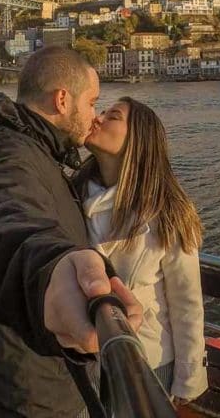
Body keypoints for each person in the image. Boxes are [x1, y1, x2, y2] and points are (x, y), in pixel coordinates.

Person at [0, 46, 143, 418]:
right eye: (92, 102)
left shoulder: (12, 144)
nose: (94, 115)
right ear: (63, 99)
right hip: (25, 394)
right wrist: (48, 272)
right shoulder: (8, 154)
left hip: (10, 384)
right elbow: (9, 214)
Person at [78, 97, 208, 406]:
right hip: (87, 361)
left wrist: (186, 383)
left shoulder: (168, 210)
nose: (99, 117)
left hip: (148, 361)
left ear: (138, 139)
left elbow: (187, 304)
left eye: (114, 116)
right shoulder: (72, 193)